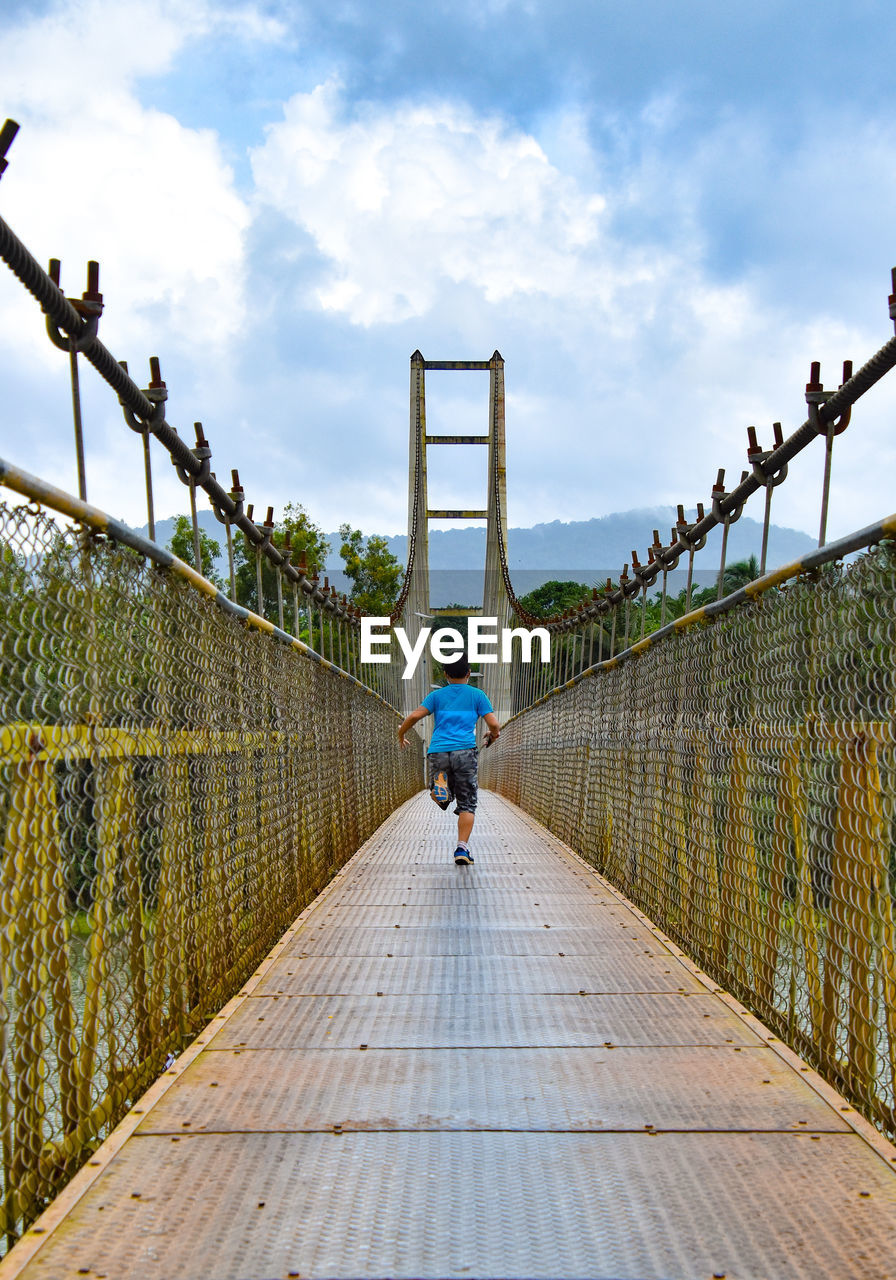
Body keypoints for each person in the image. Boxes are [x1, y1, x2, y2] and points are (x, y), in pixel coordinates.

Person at [397, 655, 500, 865]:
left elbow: (415, 716)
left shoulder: (436, 696)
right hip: (465, 752)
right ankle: (462, 848)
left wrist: (401, 734)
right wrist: (492, 735)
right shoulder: (478, 695)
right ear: (469, 673)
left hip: (439, 752)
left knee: (441, 792)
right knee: (467, 804)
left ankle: (441, 794)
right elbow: (494, 724)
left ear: (445, 674)